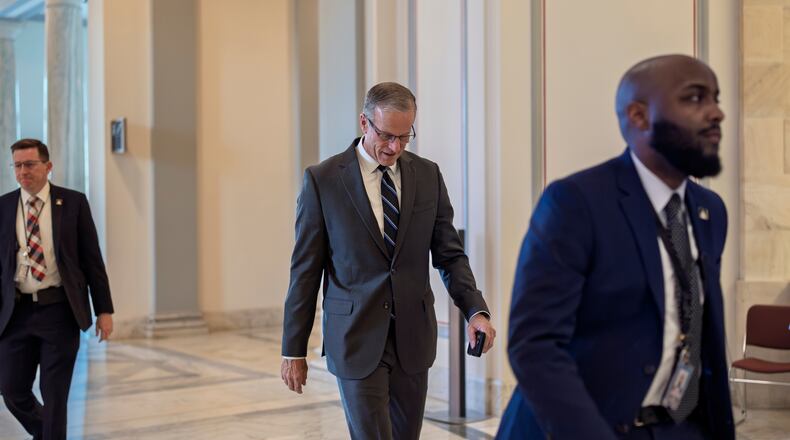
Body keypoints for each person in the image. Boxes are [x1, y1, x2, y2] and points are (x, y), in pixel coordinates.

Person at [496, 55, 734, 440]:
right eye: (695, 98)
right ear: (639, 116)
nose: (717, 113)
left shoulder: (710, 212)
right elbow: (535, 347)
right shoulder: (576, 203)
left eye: (716, 98)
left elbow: (695, 332)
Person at [281, 82, 496, 439]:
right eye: (386, 135)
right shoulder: (323, 181)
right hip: (355, 337)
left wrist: (476, 311)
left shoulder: (427, 175)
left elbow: (449, 254)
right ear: (364, 123)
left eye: (404, 136)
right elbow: (305, 271)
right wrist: (293, 349)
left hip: (413, 338)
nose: (394, 147)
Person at [0, 139, 114, 440]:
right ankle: (48, 434)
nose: (23, 171)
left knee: (55, 397)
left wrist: (104, 309)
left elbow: (92, 261)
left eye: (30, 164)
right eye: (18, 165)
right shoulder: (3, 206)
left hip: (59, 312)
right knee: (11, 390)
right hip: (16, 313)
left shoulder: (73, 203)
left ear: (48, 166)